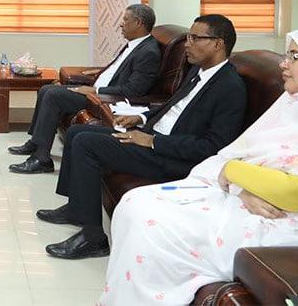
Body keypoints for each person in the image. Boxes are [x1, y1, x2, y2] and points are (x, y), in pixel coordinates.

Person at [99, 27, 298, 305]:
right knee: (134, 202)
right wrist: (241, 187)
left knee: (151, 221)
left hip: (296, 224)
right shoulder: (295, 103)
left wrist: (234, 174)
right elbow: (236, 157)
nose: (283, 63)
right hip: (252, 198)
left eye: (294, 56)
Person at [36, 14, 247, 260]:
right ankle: (76, 208)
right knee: (76, 132)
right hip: (153, 136)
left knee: (86, 143)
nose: (187, 44)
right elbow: (171, 106)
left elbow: (213, 147)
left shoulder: (230, 87)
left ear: (217, 43)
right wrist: (141, 118)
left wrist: (153, 141)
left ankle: (94, 239)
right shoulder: (198, 72)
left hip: (172, 156)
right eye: (188, 37)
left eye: (194, 38)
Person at [9, 4, 161, 173]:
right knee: (46, 89)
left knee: (53, 95)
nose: (121, 24)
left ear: (138, 23)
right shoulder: (135, 44)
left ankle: (41, 159)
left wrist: (96, 91)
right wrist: (99, 73)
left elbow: (133, 91)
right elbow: (119, 71)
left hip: (106, 99)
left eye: (125, 20)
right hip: (97, 91)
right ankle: (35, 143)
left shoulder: (149, 52)